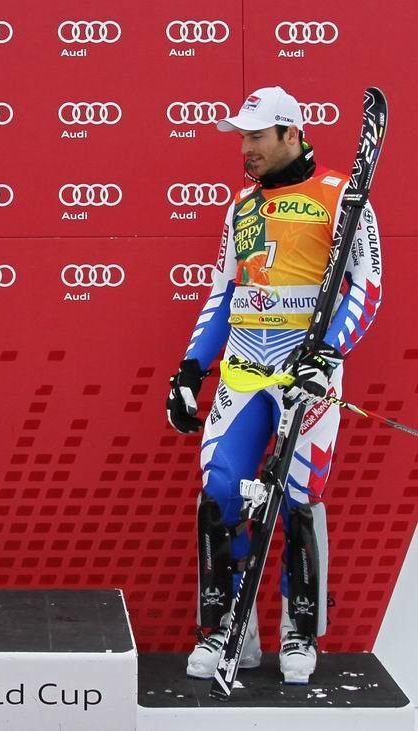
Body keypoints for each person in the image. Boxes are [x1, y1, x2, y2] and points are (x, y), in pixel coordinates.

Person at [166, 87, 382, 684]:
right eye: (242, 137)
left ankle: (299, 629)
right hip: (242, 369)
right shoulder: (241, 205)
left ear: (291, 133)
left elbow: (366, 288)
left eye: (256, 136)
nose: (245, 148)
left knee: (298, 498)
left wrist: (328, 352)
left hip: (306, 376)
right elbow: (223, 292)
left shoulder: (344, 196)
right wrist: (191, 368)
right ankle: (227, 628)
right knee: (221, 491)